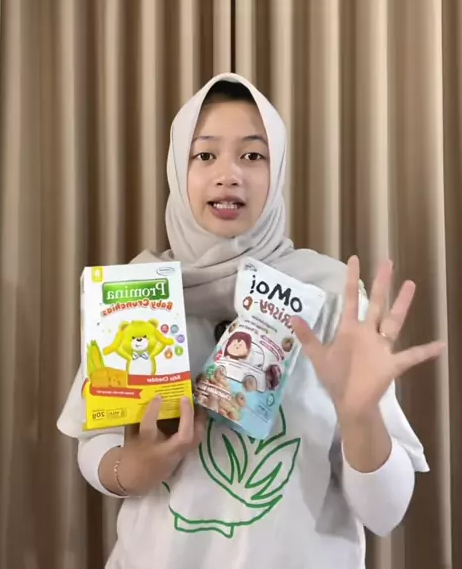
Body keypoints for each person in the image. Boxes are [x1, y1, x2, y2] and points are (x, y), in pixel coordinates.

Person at [57, 72, 444, 569]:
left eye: (253, 155)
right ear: (177, 170)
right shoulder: (134, 296)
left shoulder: (332, 299)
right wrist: (130, 470)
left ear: (276, 172)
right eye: (205, 155)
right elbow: (96, 446)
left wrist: (361, 416)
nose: (228, 174)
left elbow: (385, 512)